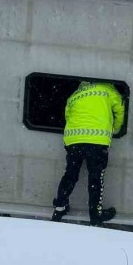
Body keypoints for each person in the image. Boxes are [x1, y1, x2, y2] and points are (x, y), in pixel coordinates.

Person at [51, 81, 126, 226]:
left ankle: (60, 208)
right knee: (96, 178)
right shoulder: (108, 89)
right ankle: (95, 215)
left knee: (70, 175)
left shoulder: (75, 94)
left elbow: (68, 115)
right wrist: (116, 129)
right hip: (96, 140)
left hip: (73, 140)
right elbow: (120, 109)